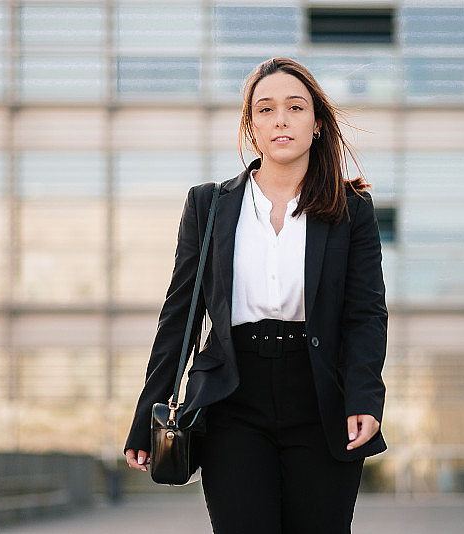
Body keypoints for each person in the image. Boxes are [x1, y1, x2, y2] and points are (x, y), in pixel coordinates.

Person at [123, 57, 388, 533]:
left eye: (295, 107)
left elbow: (365, 315)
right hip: (232, 399)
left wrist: (364, 398)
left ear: (319, 124)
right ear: (251, 126)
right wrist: (150, 408)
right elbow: (180, 315)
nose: (280, 119)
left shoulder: (351, 210)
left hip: (320, 398)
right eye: (265, 109)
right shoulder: (208, 205)